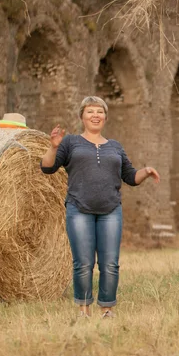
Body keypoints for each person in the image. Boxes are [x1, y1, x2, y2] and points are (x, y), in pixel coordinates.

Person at [41, 96, 160, 318]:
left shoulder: (115, 146)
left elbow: (130, 177)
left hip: (111, 210)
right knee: (83, 263)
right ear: (82, 117)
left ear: (105, 117)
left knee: (110, 264)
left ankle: (107, 309)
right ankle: (83, 310)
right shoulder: (71, 143)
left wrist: (146, 171)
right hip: (79, 208)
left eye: (100, 111)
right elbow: (47, 168)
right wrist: (53, 147)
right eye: (90, 111)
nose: (95, 115)